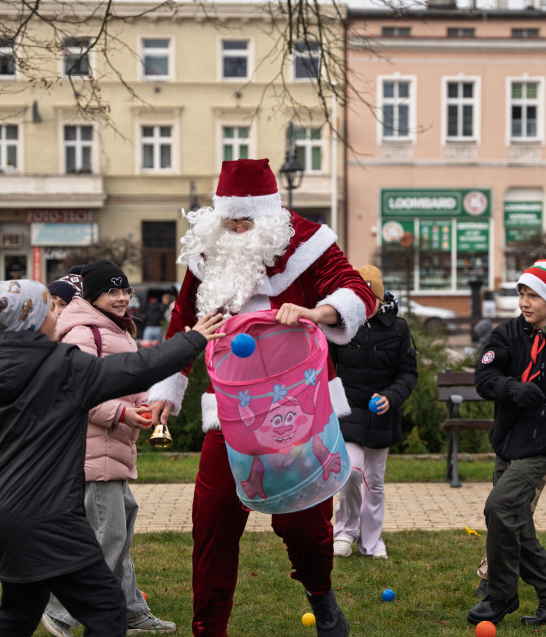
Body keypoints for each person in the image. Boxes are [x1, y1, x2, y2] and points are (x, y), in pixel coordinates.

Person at [145, 158, 375, 636]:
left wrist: (318, 311)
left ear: (269, 215)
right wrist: (169, 384)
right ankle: (209, 629)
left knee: (304, 526)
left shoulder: (309, 244)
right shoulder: (208, 253)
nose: (236, 228)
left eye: (245, 221)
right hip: (229, 413)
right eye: (229, 220)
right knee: (212, 524)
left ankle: (321, 596)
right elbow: (183, 318)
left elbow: (359, 293)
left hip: (301, 409)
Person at [0, 279, 223, 636]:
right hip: (46, 515)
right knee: (106, 610)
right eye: (50, 308)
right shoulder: (61, 367)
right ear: (34, 319)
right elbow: (136, 368)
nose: (59, 313)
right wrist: (193, 340)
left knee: (19, 608)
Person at [41, 260, 176, 636]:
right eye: (111, 292)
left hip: (111, 449)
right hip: (92, 451)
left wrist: (151, 403)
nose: (120, 298)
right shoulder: (84, 333)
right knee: (107, 535)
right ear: (93, 295)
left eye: (124, 291)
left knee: (119, 527)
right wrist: (121, 413)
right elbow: (77, 392)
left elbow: (128, 379)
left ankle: (130, 610)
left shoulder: (116, 328)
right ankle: (59, 609)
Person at [467, 260, 546, 627]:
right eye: (522, 294)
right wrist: (512, 388)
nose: (525, 302)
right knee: (515, 524)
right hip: (507, 441)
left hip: (542, 446)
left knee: (499, 507)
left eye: (534, 296)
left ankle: (500, 594)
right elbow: (484, 377)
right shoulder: (508, 333)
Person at [330, 266, 418, 560]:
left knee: (374, 481)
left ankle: (371, 540)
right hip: (348, 410)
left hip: (382, 414)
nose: (364, 303)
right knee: (352, 473)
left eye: (370, 296)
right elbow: (326, 368)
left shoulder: (398, 328)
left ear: (380, 298)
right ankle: (343, 533)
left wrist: (391, 398)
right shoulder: (339, 326)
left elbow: (407, 374)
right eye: (357, 296)